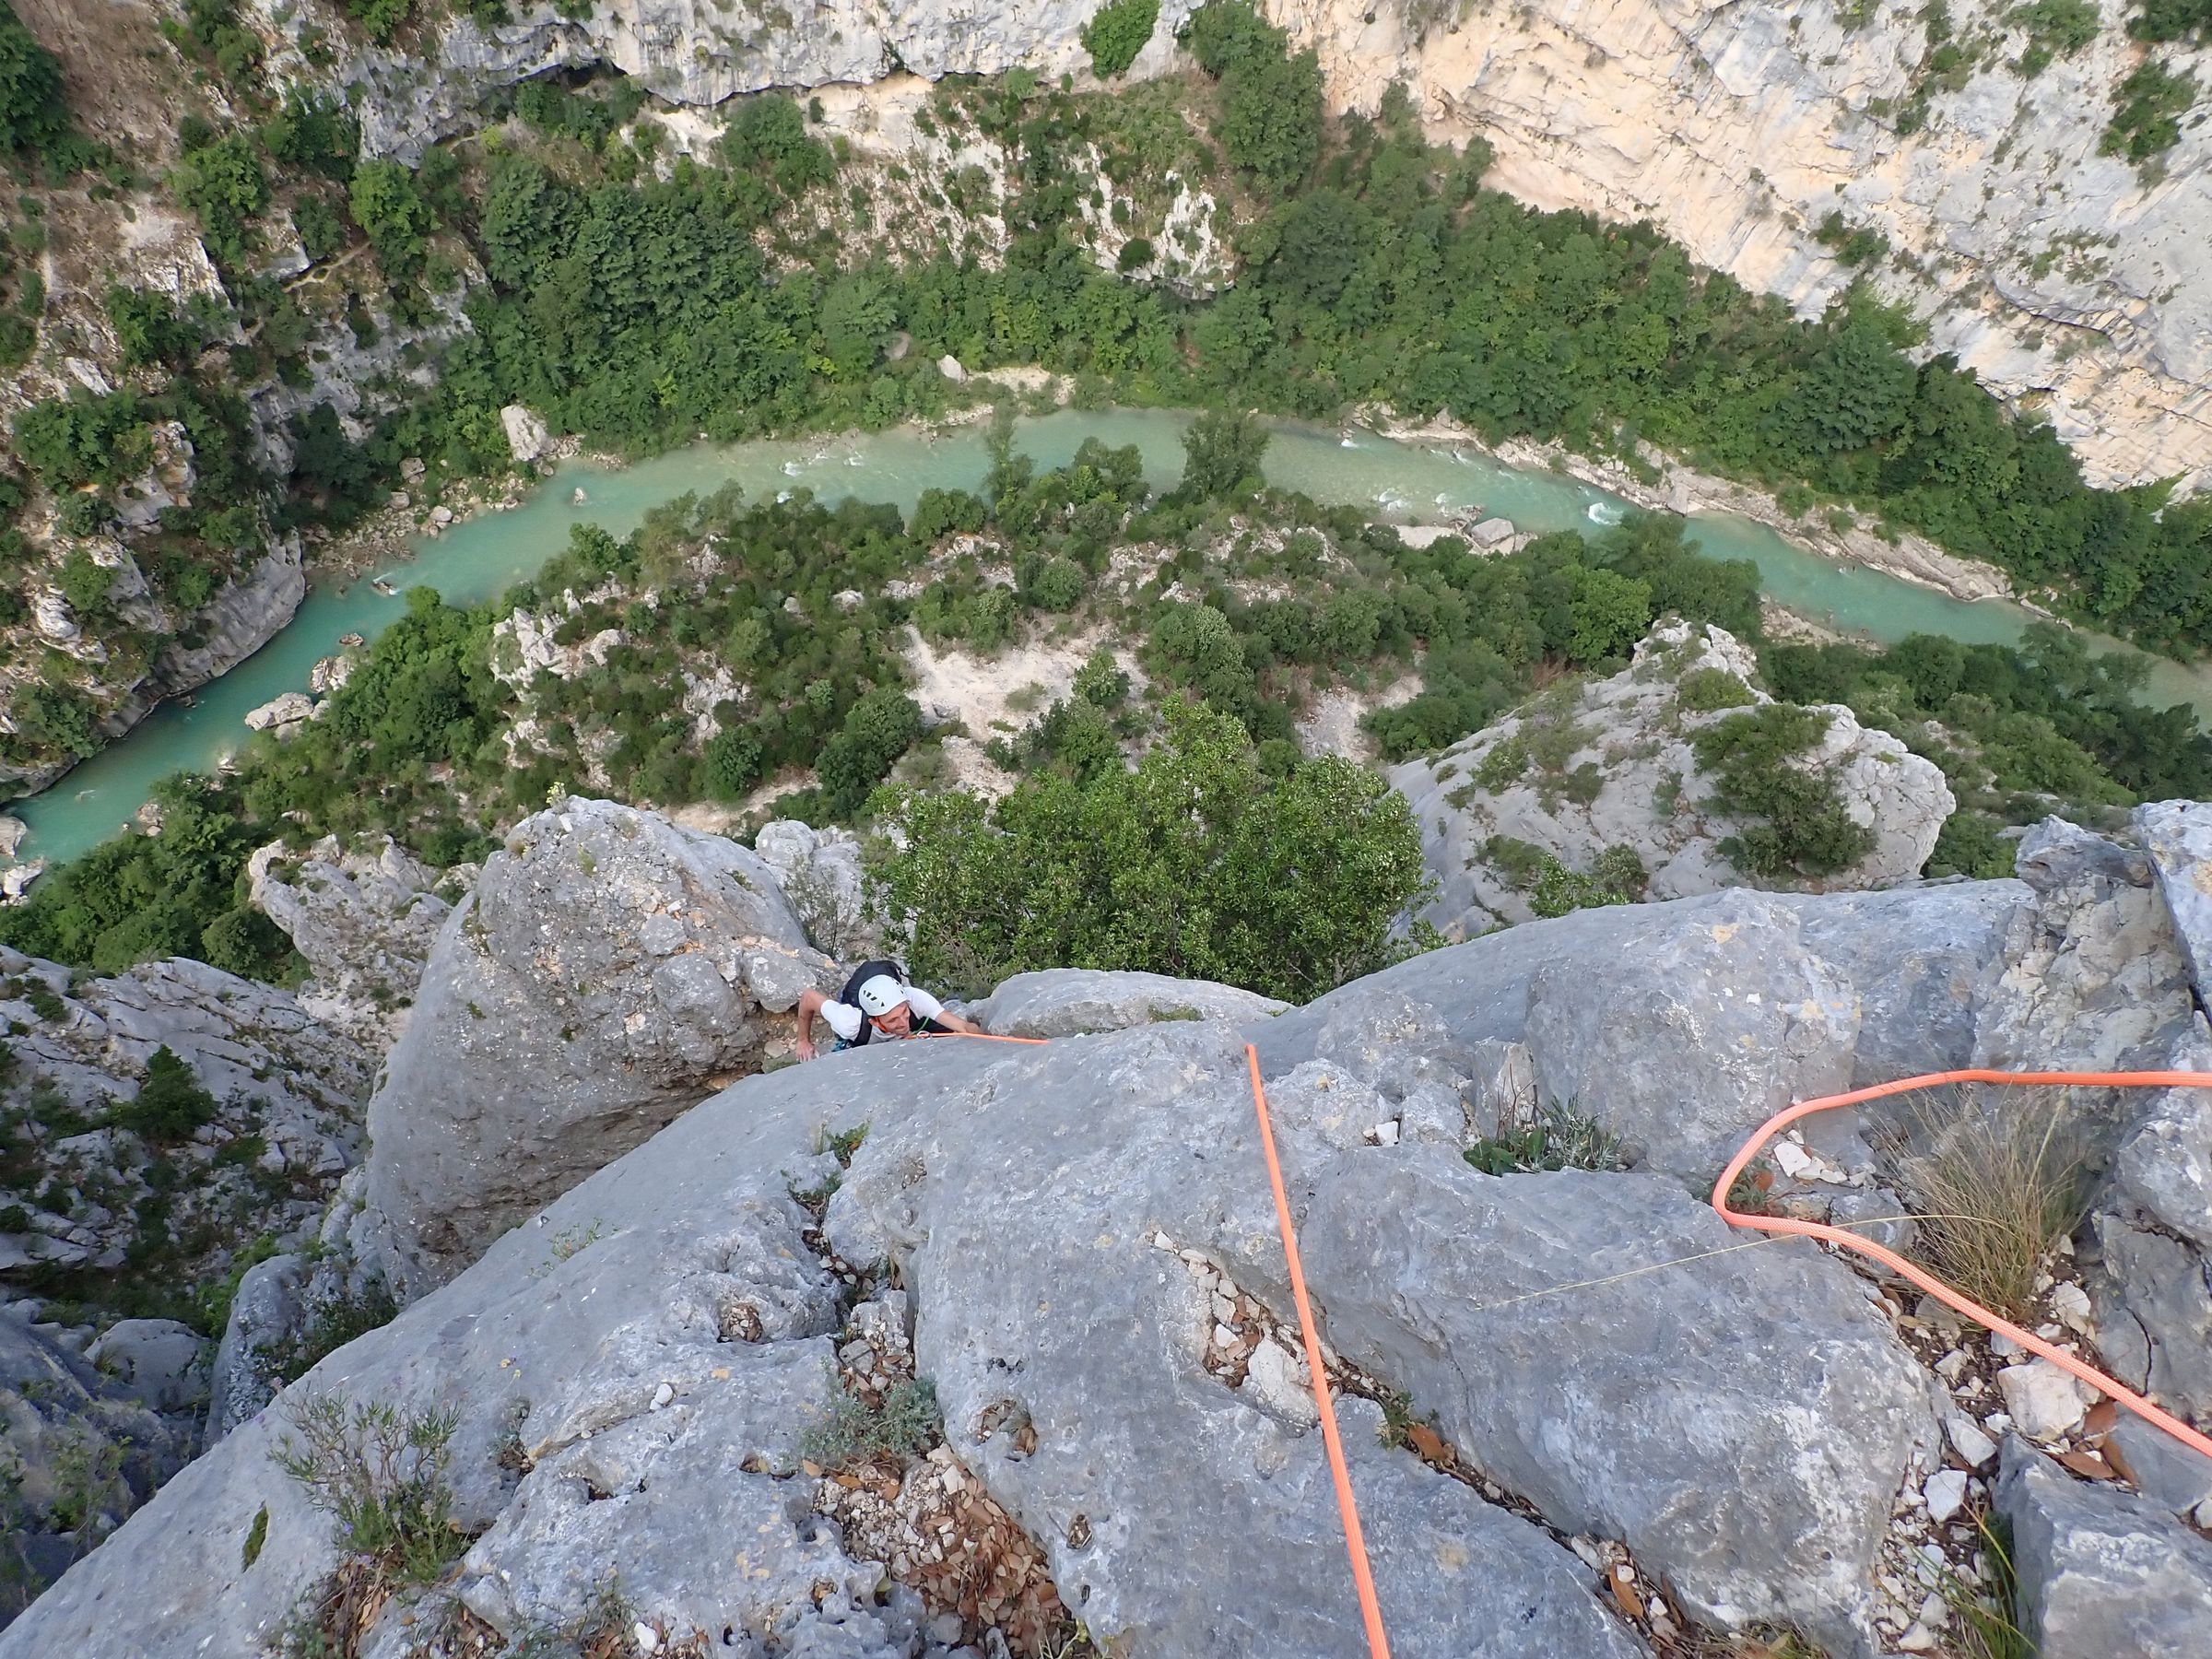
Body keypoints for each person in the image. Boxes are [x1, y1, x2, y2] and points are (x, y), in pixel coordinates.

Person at [794, 959, 984, 1060]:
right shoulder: (849, 1023)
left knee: (950, 1033)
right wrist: (803, 1041)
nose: (903, 1023)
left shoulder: (914, 998)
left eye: (903, 1013)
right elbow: (809, 997)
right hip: (861, 1031)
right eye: (893, 1019)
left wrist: (987, 1042)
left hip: (909, 1012)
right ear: (875, 1021)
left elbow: (963, 1027)